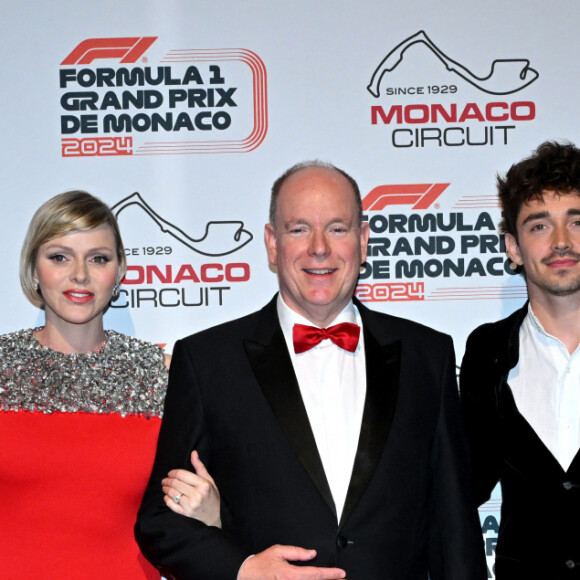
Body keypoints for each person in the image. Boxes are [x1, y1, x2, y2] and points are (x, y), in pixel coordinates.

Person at [136, 161, 486, 580]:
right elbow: (160, 518)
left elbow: (454, 523)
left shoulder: (427, 356)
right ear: (271, 243)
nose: (319, 248)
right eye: (299, 229)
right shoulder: (208, 361)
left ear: (363, 239)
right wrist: (244, 569)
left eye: (337, 228)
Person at [0, 191, 214, 579]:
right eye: (59, 256)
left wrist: (216, 514)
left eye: (98, 258)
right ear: (33, 269)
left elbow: (222, 497)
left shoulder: (165, 375)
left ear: (120, 272)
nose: (80, 274)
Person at [460, 141, 580, 579]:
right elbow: (463, 484)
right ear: (513, 246)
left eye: (576, 221)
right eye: (539, 226)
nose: (562, 242)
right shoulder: (486, 352)